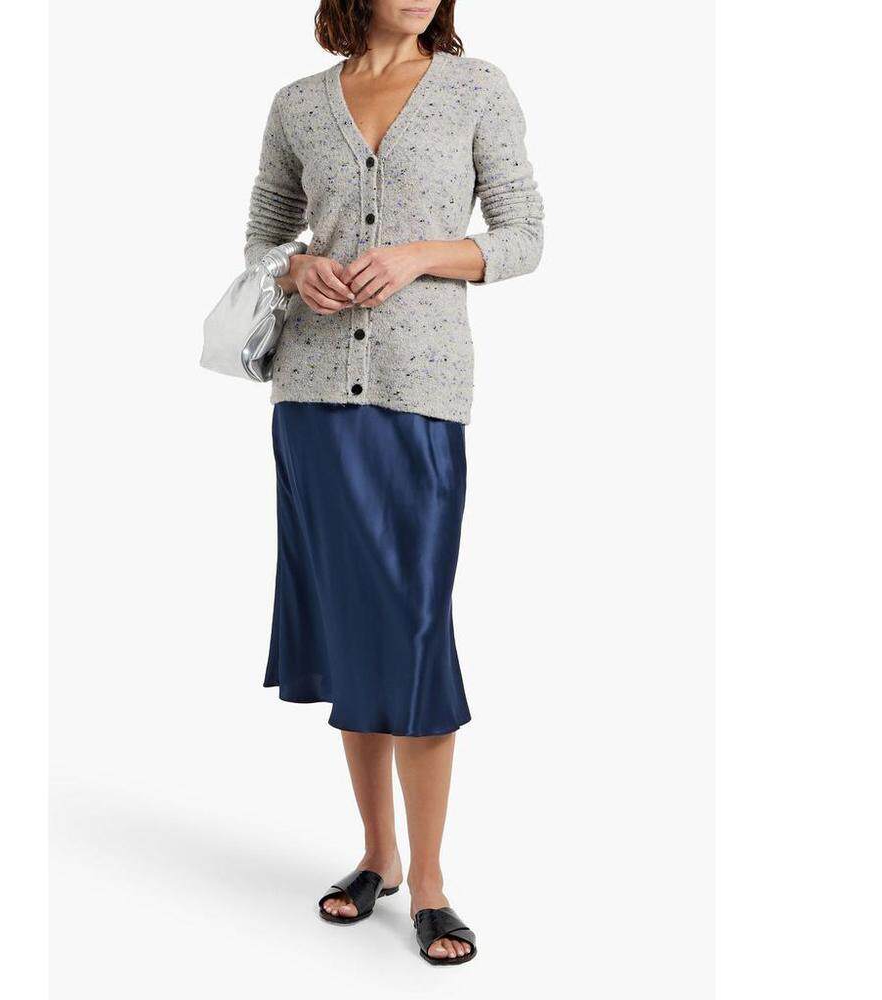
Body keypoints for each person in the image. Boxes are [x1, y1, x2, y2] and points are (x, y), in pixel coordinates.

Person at [244, 0, 543, 965]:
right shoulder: (299, 103)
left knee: (413, 628)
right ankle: (378, 855)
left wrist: (420, 256)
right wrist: (298, 273)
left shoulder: (476, 88)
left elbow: (524, 234)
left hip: (420, 393)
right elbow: (261, 240)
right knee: (352, 629)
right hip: (312, 396)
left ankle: (434, 882)